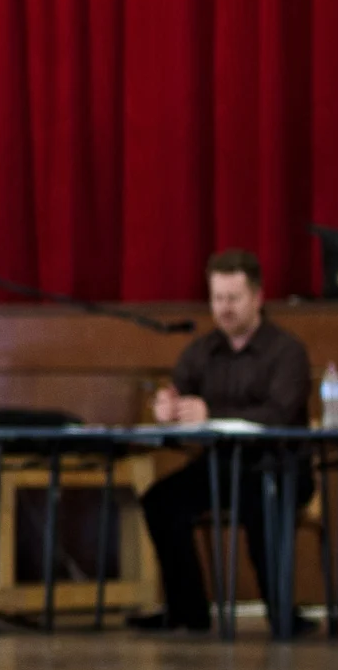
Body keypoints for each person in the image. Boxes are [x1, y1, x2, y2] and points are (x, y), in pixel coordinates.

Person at [129, 249, 313, 633]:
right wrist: (168, 407)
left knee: (259, 502)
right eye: (217, 299)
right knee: (161, 502)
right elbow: (179, 389)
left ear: (257, 297)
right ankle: (188, 611)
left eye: (233, 298)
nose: (224, 309)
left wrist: (211, 413)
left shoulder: (287, 351)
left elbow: (279, 415)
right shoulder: (202, 351)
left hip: (277, 467)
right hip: (219, 467)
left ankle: (282, 615)